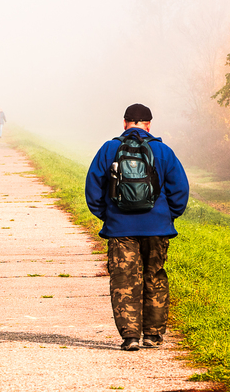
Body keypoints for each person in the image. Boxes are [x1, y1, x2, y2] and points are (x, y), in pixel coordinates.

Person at [84, 103, 189, 352]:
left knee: (124, 280)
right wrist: (167, 217)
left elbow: (92, 188)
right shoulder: (163, 151)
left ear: (125, 123)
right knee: (155, 277)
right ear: (149, 125)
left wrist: (108, 215)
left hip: (121, 228)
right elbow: (180, 190)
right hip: (157, 227)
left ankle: (130, 337)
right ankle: (153, 335)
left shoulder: (109, 149)